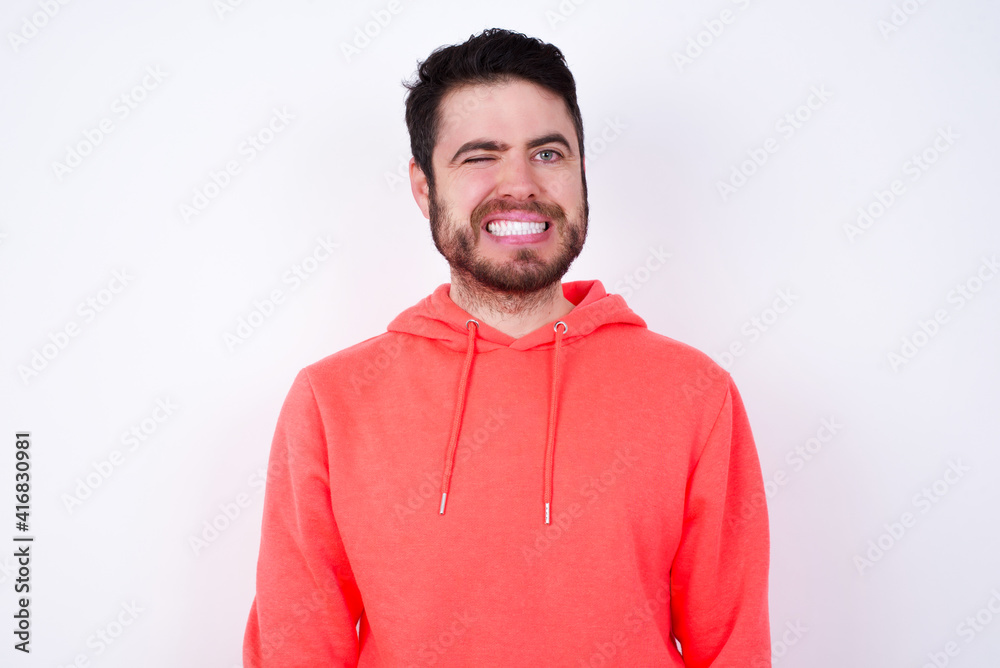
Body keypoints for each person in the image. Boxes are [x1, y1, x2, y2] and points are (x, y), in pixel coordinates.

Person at [243, 28, 771, 667]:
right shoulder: (331, 402)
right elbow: (297, 650)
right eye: (480, 156)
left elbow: (732, 648)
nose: (520, 184)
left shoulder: (694, 393)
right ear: (423, 187)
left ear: (581, 172)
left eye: (548, 153)